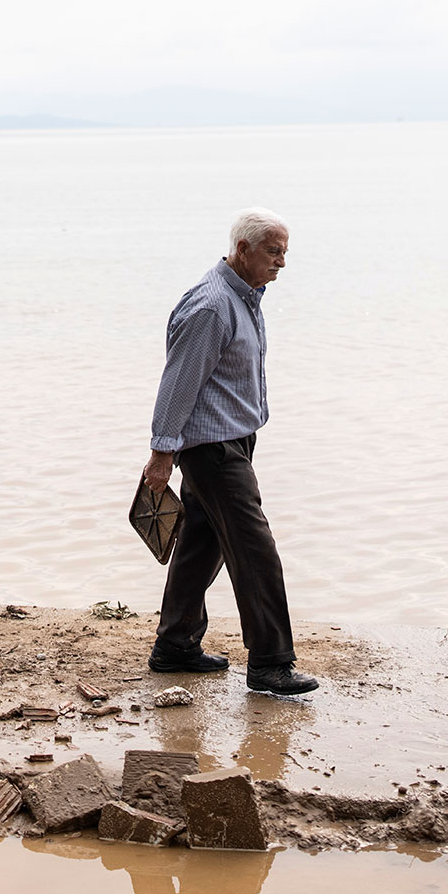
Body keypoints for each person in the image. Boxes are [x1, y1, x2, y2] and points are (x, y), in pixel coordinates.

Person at [142, 208, 318, 696]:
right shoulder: (212, 307)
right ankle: (270, 663)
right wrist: (162, 452)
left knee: (203, 543)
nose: (281, 263)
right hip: (212, 449)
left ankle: (175, 646)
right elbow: (178, 384)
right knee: (255, 549)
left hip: (233, 439)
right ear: (243, 250)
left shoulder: (246, 296)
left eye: (285, 252)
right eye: (274, 252)